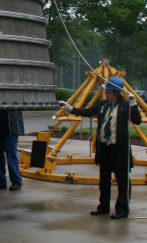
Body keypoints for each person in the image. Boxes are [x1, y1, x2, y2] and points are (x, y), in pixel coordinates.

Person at [59, 75, 141, 219]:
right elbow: (87, 112)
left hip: (119, 148)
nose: (105, 92)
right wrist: (70, 108)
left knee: (122, 179)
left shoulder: (125, 106)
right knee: (104, 179)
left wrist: (134, 104)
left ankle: (122, 208)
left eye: (108, 90)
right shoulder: (102, 105)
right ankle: (103, 206)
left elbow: (137, 120)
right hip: (104, 147)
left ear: (115, 92)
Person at [0, 109, 24, 191]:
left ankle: (16, 181)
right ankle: (0, 181)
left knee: (11, 156)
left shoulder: (13, 96)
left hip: (11, 127)